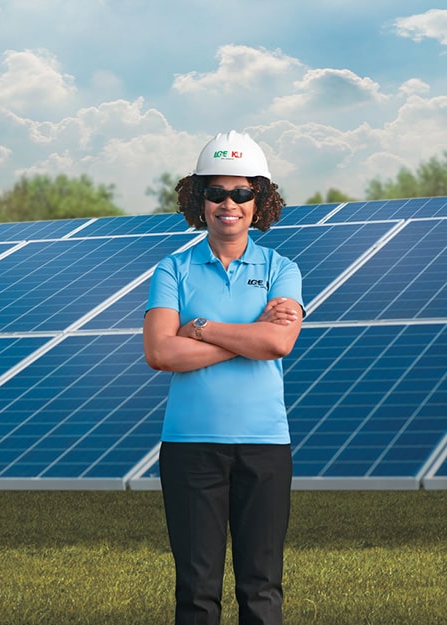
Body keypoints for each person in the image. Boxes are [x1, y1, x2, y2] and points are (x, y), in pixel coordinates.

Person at [142, 130, 304, 625]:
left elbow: (277, 343)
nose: (228, 203)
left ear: (260, 200)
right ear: (200, 200)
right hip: (189, 447)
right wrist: (246, 334)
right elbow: (158, 351)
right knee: (196, 591)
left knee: (261, 588)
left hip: (265, 447)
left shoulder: (283, 268)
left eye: (241, 193)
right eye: (215, 193)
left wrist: (202, 329)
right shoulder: (172, 268)